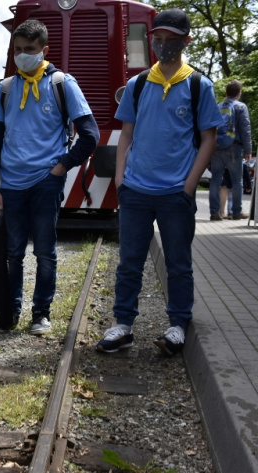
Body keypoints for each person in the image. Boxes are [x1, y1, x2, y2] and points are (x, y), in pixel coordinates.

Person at [96, 8, 221, 356]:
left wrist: (188, 186)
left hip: (174, 194)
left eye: (171, 40)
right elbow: (125, 136)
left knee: (178, 263)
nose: (163, 46)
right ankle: (123, 325)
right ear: (152, 39)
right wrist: (121, 178)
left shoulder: (199, 85)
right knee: (129, 262)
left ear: (185, 41)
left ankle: (178, 325)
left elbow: (209, 138)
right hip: (135, 191)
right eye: (158, 39)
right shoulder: (137, 86)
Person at [0, 20, 99, 335]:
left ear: (44, 50)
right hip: (10, 185)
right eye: (17, 50)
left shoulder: (62, 84)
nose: (22, 55)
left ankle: (41, 315)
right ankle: (11, 314)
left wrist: (61, 167)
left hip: (45, 182)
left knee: (45, 251)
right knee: (13, 252)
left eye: (29, 50)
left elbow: (90, 134)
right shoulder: (5, 89)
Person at [209, 80, 252, 221]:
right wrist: (248, 150)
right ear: (239, 93)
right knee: (237, 181)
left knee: (215, 180)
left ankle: (215, 213)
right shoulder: (240, 107)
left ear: (227, 92)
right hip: (234, 147)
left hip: (217, 147)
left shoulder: (218, 106)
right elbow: (245, 130)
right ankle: (236, 212)